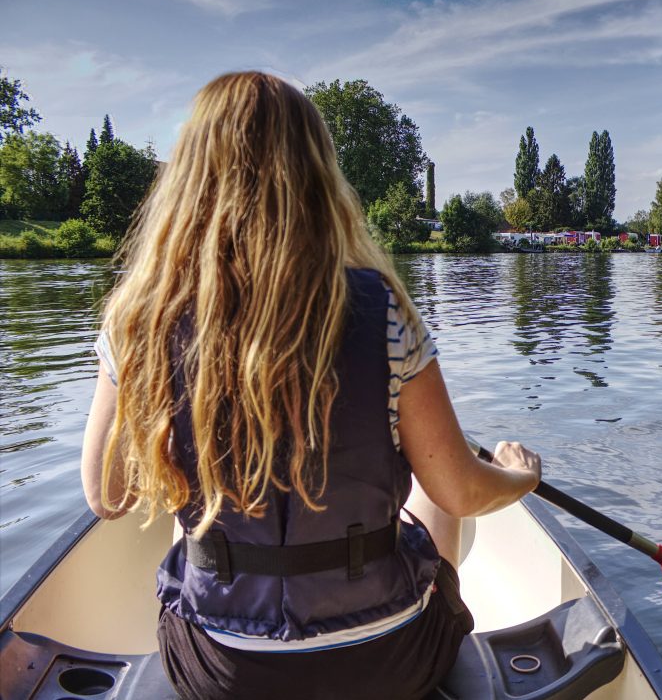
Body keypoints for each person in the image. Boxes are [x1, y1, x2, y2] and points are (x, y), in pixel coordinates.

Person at [79, 71, 541, 700]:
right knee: (430, 498)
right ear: (319, 179)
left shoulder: (139, 321)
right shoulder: (385, 313)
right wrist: (521, 477)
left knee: (191, 504)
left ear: (186, 180)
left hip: (221, 675)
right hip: (386, 664)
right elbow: (459, 492)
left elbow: (107, 498)